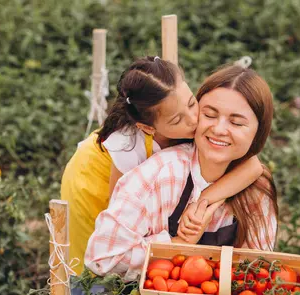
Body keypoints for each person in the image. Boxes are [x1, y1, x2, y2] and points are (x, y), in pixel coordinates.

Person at [85, 63, 278, 295]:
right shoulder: (159, 174)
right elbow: (101, 254)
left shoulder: (256, 192)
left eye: (237, 121)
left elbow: (257, 269)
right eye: (210, 114)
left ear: (258, 131)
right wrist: (171, 246)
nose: (219, 129)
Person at [60, 56, 264, 275]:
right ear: (148, 128)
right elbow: (120, 211)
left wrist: (205, 201)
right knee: (93, 259)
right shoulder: (127, 146)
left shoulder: (176, 109)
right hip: (89, 180)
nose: (193, 119)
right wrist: (174, 244)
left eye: (192, 103)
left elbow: (253, 168)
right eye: (177, 120)